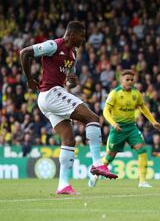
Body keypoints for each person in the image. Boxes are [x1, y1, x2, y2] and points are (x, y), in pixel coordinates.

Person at [19, 21, 117, 195]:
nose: (84, 39)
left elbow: (70, 81)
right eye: (82, 35)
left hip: (49, 97)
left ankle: (63, 184)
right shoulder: (53, 45)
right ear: (72, 34)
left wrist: (72, 81)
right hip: (50, 92)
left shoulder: (73, 53)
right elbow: (24, 53)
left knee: (69, 140)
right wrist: (29, 79)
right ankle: (96, 163)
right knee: (93, 118)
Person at [88, 69, 160, 188]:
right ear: (121, 80)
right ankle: (95, 174)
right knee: (109, 157)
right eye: (127, 79)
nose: (129, 82)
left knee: (142, 150)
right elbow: (105, 111)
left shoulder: (136, 93)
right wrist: (113, 124)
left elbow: (143, 108)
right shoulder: (115, 93)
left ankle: (142, 181)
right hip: (117, 128)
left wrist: (153, 122)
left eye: (132, 80)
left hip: (131, 127)